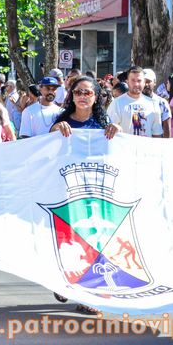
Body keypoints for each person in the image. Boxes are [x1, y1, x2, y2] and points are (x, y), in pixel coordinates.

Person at [50, 76, 122, 315]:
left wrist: (118, 131)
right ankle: (63, 281)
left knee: (93, 240)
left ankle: (87, 297)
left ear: (96, 97)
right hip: (66, 191)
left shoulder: (103, 122)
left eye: (87, 93)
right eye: (78, 92)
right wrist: (54, 131)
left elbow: (115, 150)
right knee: (68, 240)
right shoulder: (60, 123)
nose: (82, 96)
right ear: (72, 96)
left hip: (95, 191)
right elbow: (46, 152)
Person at [107, 67, 164, 137]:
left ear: (144, 82)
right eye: (133, 80)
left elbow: (157, 134)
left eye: (139, 81)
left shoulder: (153, 104)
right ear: (127, 82)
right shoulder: (117, 104)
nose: (136, 84)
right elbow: (109, 131)